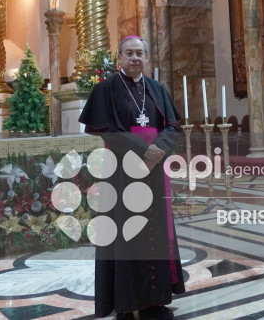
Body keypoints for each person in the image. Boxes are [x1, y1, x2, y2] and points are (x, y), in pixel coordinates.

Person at [79, 36, 185, 320]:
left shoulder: (157, 89)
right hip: (122, 173)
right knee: (125, 234)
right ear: (120, 59)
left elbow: (173, 126)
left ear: (147, 58)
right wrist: (143, 149)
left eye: (140, 53)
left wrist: (158, 150)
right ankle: (124, 303)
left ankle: (154, 302)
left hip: (154, 170)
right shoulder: (106, 89)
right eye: (129, 53)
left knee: (156, 234)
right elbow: (106, 129)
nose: (135, 58)